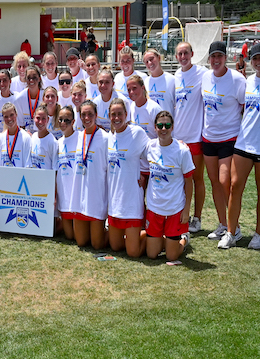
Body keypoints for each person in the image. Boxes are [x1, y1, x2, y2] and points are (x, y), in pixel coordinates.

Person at [221, 43, 260, 250]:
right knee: (234, 187)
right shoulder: (248, 81)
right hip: (243, 143)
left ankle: (258, 235)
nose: (257, 62)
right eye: (254, 59)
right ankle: (232, 232)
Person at [202, 41, 246, 241]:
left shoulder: (237, 80)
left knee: (224, 182)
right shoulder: (205, 77)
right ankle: (222, 224)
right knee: (214, 183)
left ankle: (234, 228)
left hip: (229, 138)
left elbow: (246, 108)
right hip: (208, 138)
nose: (216, 60)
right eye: (213, 56)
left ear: (225, 58)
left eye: (219, 56)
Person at [144, 110, 194, 261]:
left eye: (167, 125)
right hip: (154, 208)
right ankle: (165, 239)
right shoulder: (149, 146)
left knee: (172, 257)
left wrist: (186, 210)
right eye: (160, 125)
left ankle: (183, 239)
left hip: (175, 209)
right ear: (155, 127)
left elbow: (189, 182)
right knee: (152, 254)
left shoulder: (182, 151)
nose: (163, 129)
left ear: (172, 127)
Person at [106, 98, 149, 258]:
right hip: (115, 203)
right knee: (116, 247)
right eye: (113, 114)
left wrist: (145, 175)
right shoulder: (109, 137)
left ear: (126, 114)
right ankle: (138, 236)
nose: (116, 118)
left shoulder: (136, 133)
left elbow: (154, 151)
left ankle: (157, 237)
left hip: (131, 201)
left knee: (133, 252)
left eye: (119, 114)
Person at [174, 42, 208, 234]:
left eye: (186, 53)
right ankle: (179, 214)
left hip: (195, 137)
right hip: (178, 138)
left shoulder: (202, 73)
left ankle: (197, 218)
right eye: (180, 54)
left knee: (197, 179)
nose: (183, 56)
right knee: (179, 179)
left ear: (192, 54)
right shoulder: (175, 77)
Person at [69, 101, 108, 249]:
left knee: (97, 245)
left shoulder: (105, 138)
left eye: (90, 114)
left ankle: (116, 234)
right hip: (79, 197)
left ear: (96, 115)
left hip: (96, 198)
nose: (86, 118)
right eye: (83, 114)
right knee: (81, 243)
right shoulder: (78, 137)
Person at [55, 106, 79, 239]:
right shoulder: (58, 143)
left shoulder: (81, 138)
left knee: (78, 237)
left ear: (73, 122)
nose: (63, 123)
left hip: (76, 196)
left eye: (67, 120)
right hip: (64, 195)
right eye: (60, 120)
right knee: (69, 237)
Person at [127, 74, 163, 141]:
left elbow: (163, 134)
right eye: (129, 90)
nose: (131, 92)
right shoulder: (131, 107)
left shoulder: (154, 109)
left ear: (143, 88)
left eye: (134, 88)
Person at [0, 103, 32, 167]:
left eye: (11, 115)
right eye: (6, 117)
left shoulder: (26, 137)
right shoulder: (0, 139)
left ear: (16, 114)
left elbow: (28, 165)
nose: (9, 119)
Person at [143, 48, 176, 114]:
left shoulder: (172, 79)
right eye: (146, 61)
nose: (149, 63)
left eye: (151, 59)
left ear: (159, 58)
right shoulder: (145, 81)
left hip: (167, 123)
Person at [15, 65, 44, 133]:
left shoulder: (45, 96)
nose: (31, 80)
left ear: (39, 78)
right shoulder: (19, 99)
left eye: (34, 77)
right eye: (29, 78)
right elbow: (20, 125)